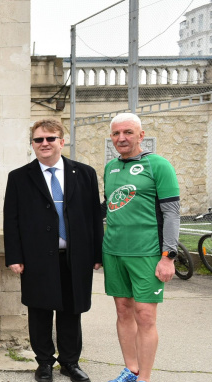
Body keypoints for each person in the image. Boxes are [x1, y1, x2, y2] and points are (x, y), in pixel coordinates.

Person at [3, 119, 102, 382]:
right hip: (36, 258)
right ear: (32, 145)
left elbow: (94, 216)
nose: (44, 143)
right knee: (40, 311)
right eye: (38, 140)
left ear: (62, 141)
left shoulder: (85, 173)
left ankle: (70, 362)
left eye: (50, 138)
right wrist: (14, 256)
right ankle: (44, 363)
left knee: (72, 310)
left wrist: (96, 253)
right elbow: (10, 220)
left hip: (75, 256)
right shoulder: (19, 177)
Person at [103, 113, 179, 382]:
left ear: (141, 135)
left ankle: (144, 378)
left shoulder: (158, 165)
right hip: (113, 252)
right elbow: (110, 208)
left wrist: (168, 256)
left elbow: (171, 213)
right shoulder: (110, 167)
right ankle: (130, 370)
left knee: (145, 315)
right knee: (123, 310)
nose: (121, 138)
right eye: (115, 134)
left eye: (128, 132)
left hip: (147, 253)